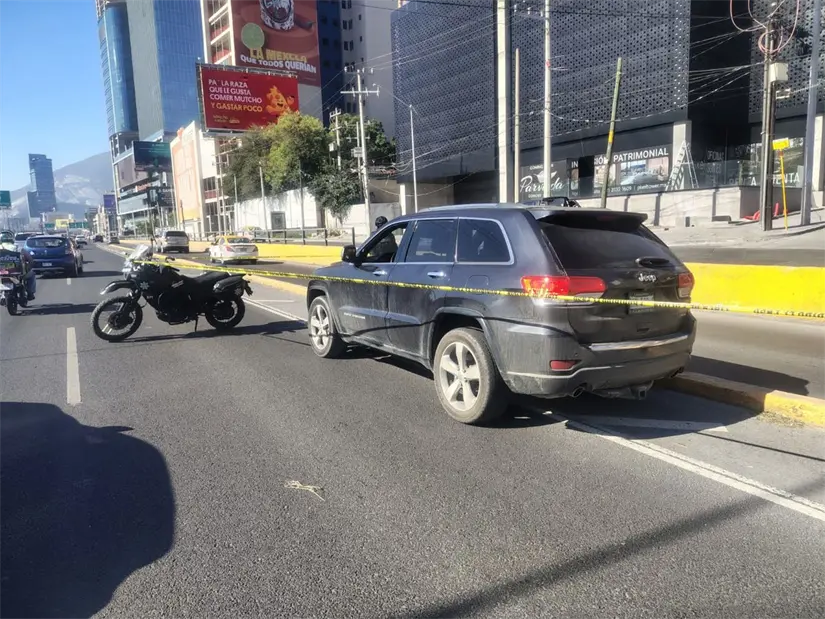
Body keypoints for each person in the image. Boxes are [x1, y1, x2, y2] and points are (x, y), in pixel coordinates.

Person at [0, 231, 36, 300]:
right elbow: (30, 260)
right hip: (18, 273)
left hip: (1, 273)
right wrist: (28, 268)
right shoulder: (18, 248)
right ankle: (30, 293)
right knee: (32, 275)